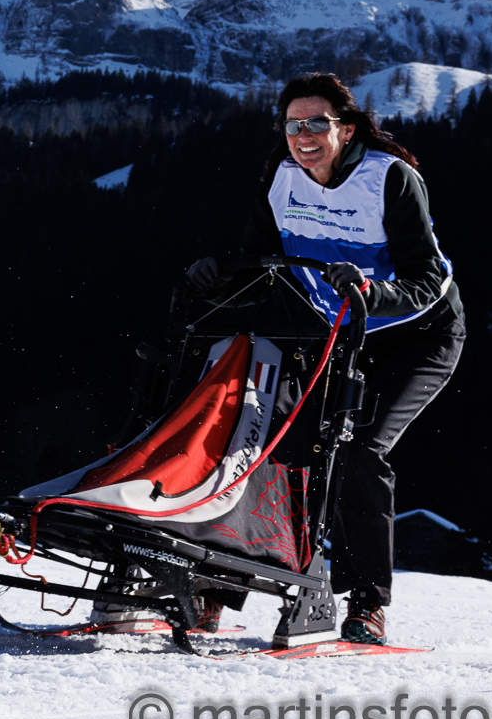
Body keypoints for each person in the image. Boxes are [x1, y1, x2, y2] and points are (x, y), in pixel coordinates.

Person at [187, 72, 464, 646]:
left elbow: (429, 279)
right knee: (264, 439)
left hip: (416, 335)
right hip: (335, 332)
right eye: (293, 125)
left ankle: (366, 603)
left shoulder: (389, 179)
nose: (304, 135)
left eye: (317, 123)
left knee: (358, 450)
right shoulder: (283, 177)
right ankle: (219, 583)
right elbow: (261, 260)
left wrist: (370, 292)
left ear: (347, 128)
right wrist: (219, 278)